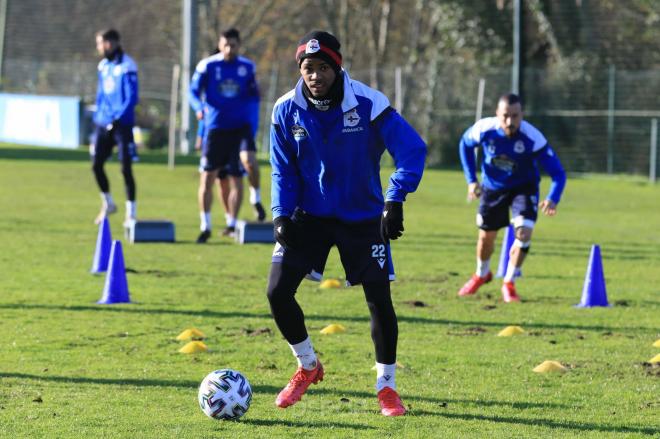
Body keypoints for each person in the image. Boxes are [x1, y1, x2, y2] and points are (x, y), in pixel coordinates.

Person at [267, 31, 426, 416]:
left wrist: (394, 199)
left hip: (362, 217)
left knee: (378, 300)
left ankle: (386, 388)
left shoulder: (370, 104)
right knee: (277, 291)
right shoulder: (285, 110)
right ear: (300, 70)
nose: (315, 76)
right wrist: (280, 214)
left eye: (323, 68)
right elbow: (283, 170)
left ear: (337, 68)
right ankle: (307, 366)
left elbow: (412, 150)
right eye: (308, 68)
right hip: (310, 217)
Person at [457, 93, 566, 302]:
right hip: (492, 189)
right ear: (497, 114)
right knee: (486, 237)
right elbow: (465, 144)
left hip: (523, 189)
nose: (510, 121)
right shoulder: (484, 129)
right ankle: (481, 274)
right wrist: (471, 180)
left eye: (515, 116)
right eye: (505, 115)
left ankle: (508, 282)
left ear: (521, 115)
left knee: (524, 233)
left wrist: (553, 198)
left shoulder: (533, 137)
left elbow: (558, 173)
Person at [189, 28, 264, 243]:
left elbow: (255, 98)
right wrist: (198, 108)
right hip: (216, 129)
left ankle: (254, 199)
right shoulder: (208, 66)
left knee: (247, 164)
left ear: (239, 46)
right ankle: (206, 225)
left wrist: (253, 124)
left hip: (240, 128)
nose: (230, 49)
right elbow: (192, 91)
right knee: (209, 178)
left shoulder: (247, 67)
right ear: (220, 45)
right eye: (226, 45)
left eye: (234, 45)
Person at [91, 29, 139, 225]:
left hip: (122, 126)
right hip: (103, 123)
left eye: (102, 43)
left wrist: (118, 118)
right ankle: (108, 203)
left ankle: (131, 212)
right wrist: (98, 118)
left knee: (125, 168)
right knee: (96, 165)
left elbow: (132, 97)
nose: (100, 47)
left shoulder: (127, 66)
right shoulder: (103, 66)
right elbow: (101, 95)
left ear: (113, 43)